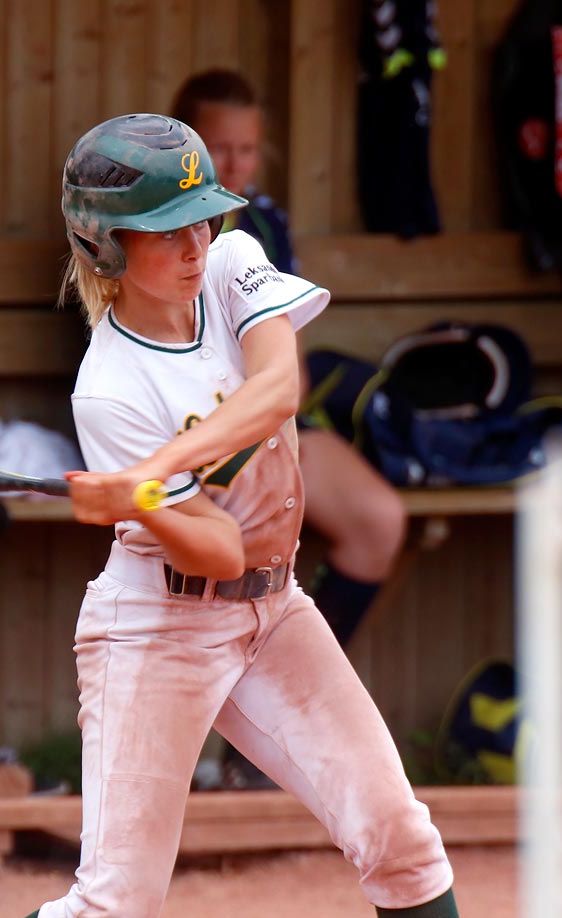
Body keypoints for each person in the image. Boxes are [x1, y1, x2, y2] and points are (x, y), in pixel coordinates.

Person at [0, 114, 480, 918]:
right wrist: (153, 499)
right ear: (108, 247)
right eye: (167, 229)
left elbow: (279, 390)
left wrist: (152, 473)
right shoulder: (110, 388)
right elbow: (217, 542)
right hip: (155, 628)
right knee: (111, 916)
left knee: (399, 836)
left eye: (202, 217)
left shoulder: (235, 266)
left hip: (276, 613)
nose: (196, 242)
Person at [171, 68, 407, 653]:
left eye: (247, 149)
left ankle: (287, 690)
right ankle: (219, 714)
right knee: (237, 541)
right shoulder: (152, 222)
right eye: (218, 148)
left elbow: (288, 364)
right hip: (190, 429)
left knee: (379, 520)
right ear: (184, 146)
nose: (235, 163)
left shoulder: (266, 223)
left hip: (274, 418)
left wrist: (280, 420)